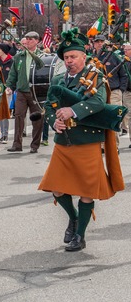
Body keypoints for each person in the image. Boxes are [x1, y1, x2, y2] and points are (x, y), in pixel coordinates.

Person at [38, 30, 124, 251]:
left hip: (86, 141)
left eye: (73, 57)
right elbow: (49, 104)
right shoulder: (58, 79)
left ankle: (80, 235)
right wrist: (53, 121)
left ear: (83, 57)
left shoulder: (95, 76)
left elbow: (98, 101)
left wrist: (72, 111)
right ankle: (73, 217)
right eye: (66, 57)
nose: (69, 61)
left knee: (86, 192)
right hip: (63, 141)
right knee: (56, 188)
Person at [6, 31, 44, 153]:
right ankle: (17, 144)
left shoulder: (42, 56)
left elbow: (44, 69)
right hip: (21, 91)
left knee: (37, 119)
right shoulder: (19, 56)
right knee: (18, 116)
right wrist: (9, 86)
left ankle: (35, 145)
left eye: (31, 39)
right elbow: (13, 73)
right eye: (26, 39)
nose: (27, 41)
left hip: (35, 92)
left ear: (37, 41)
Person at [92, 35, 127, 148]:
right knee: (100, 118)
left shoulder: (113, 57)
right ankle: (102, 145)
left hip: (114, 92)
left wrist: (121, 90)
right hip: (98, 92)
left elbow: (124, 74)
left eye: (102, 41)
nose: (100, 43)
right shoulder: (93, 59)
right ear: (94, 44)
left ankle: (114, 146)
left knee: (114, 118)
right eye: (97, 42)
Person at [0, 43, 13, 143]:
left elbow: (14, 76)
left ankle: (4, 134)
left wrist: (11, 87)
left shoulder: (12, 62)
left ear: (3, 51)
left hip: (8, 90)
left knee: (5, 112)